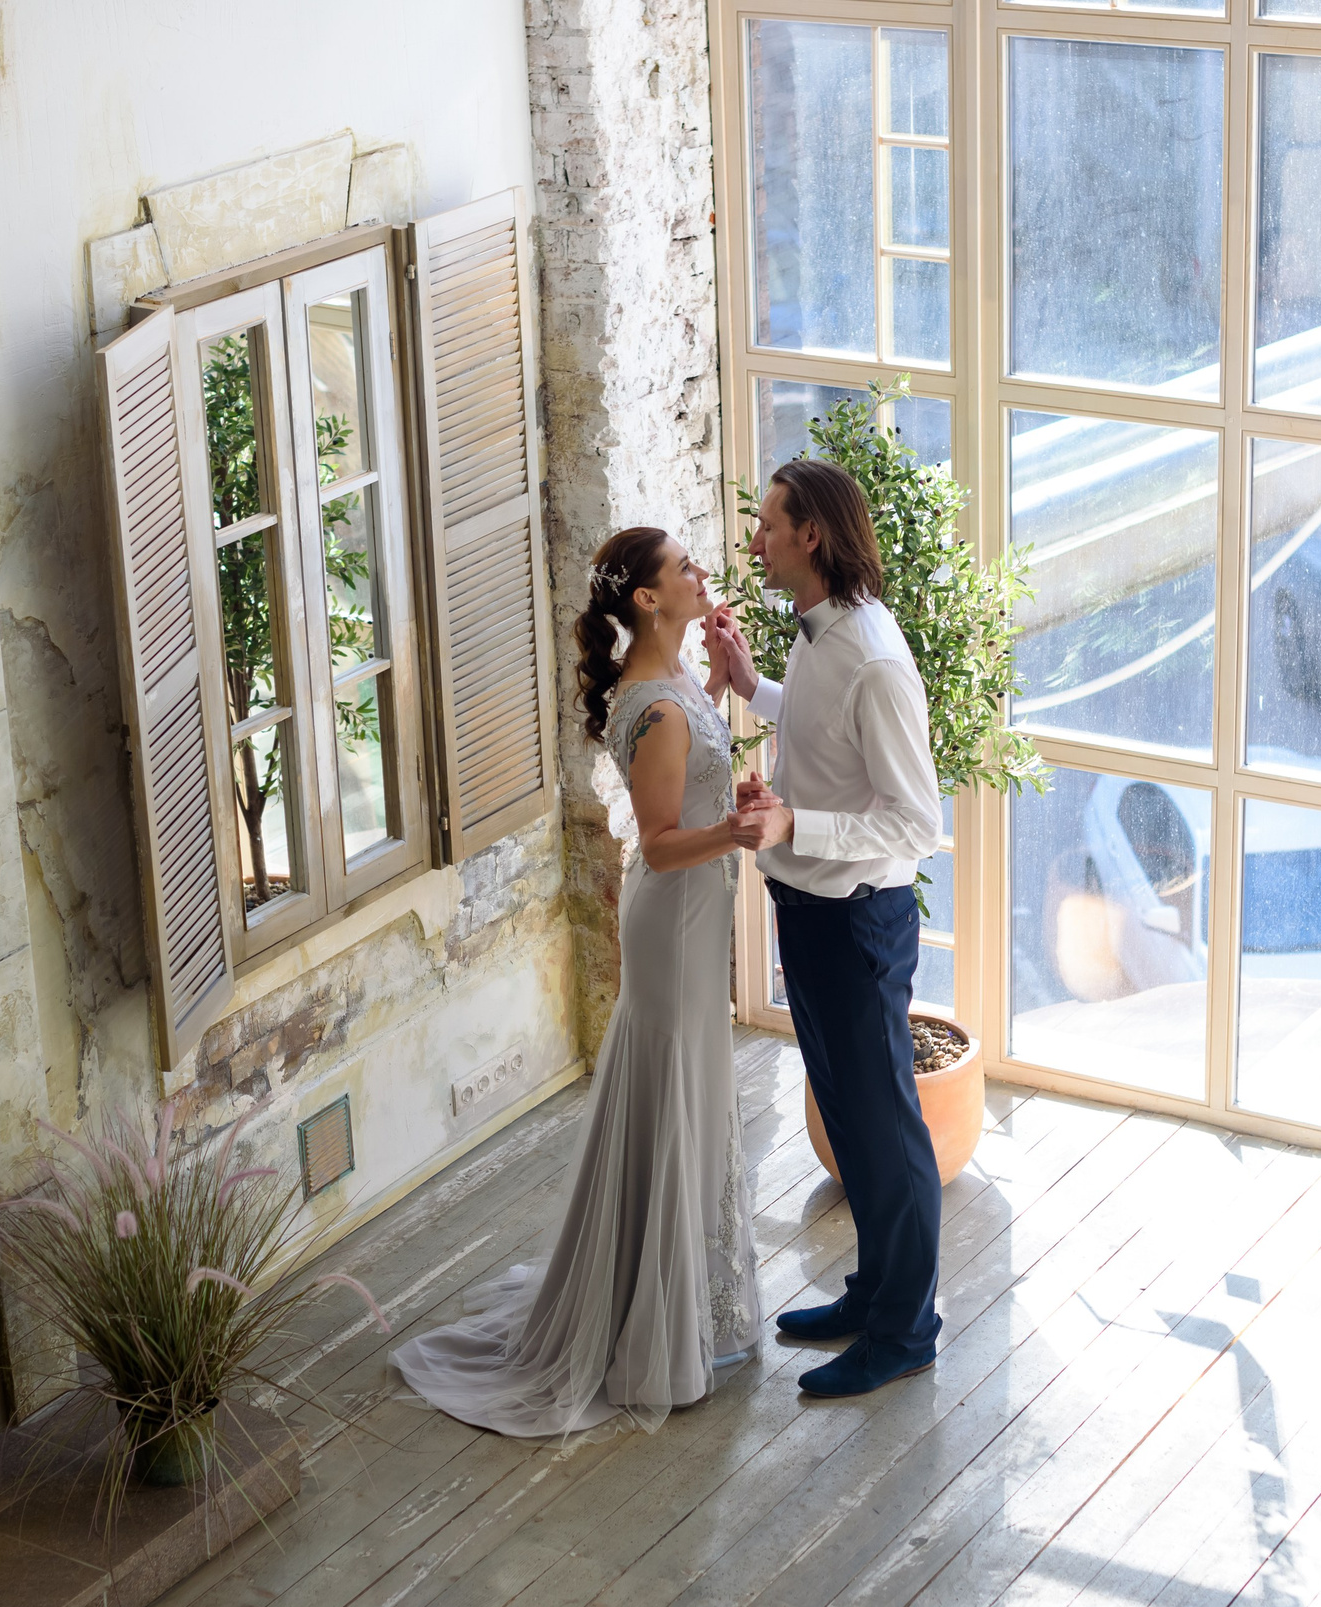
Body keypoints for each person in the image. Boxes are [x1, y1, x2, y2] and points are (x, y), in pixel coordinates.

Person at [389, 527, 761, 1437]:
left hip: (692, 913)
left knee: (693, 1092)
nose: (698, 570)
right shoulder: (656, 706)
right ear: (644, 598)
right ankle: (655, 1329)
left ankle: (685, 1299)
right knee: (673, 1091)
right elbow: (665, 840)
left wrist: (722, 681)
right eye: (683, 567)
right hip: (675, 915)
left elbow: (695, 763)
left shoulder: (676, 685)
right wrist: (737, 835)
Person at [705, 459, 945, 1400]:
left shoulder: (877, 659)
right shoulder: (819, 636)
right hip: (808, 914)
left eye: (767, 524)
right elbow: (815, 731)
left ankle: (906, 1332)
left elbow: (915, 821)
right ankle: (871, 1293)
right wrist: (750, 683)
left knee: (886, 1133)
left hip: (858, 927)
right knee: (851, 1120)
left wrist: (798, 824)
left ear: (811, 536)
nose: (755, 539)